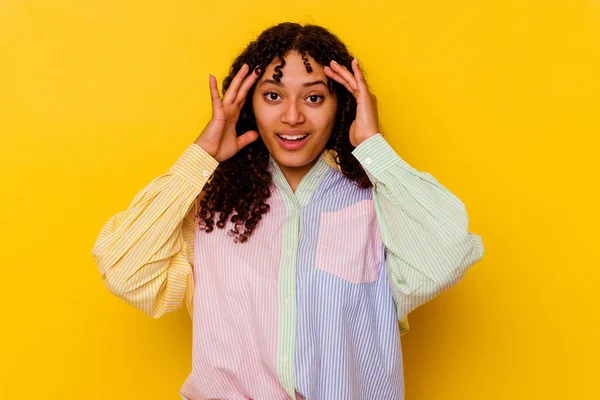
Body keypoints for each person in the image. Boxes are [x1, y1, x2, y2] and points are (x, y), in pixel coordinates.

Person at [91, 22, 485, 400]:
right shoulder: (210, 209)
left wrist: (373, 146)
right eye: (273, 95)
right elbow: (126, 272)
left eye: (313, 97)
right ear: (249, 105)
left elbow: (447, 255)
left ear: (341, 105)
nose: (292, 116)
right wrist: (202, 157)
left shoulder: (377, 204)